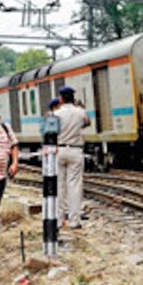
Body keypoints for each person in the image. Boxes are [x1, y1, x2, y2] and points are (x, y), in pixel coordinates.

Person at [54, 87, 90, 230]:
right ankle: (74, 220)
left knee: (59, 185)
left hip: (59, 150)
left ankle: (59, 219)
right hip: (76, 150)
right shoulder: (81, 113)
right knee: (74, 186)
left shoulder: (55, 114)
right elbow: (87, 123)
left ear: (61, 99)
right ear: (73, 99)